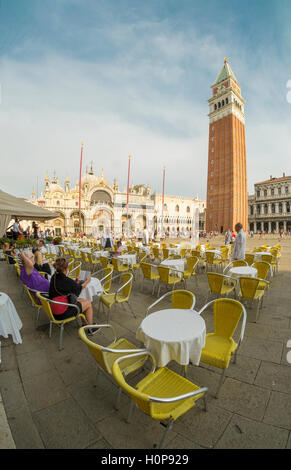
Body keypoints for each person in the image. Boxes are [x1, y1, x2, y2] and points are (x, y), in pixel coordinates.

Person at [49, 258, 93, 325]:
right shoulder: (66, 280)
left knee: (82, 300)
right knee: (88, 303)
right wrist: (87, 281)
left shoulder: (54, 276)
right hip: (61, 313)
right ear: (66, 268)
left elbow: (69, 287)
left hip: (53, 307)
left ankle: (84, 324)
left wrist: (75, 282)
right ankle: (91, 327)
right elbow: (78, 288)